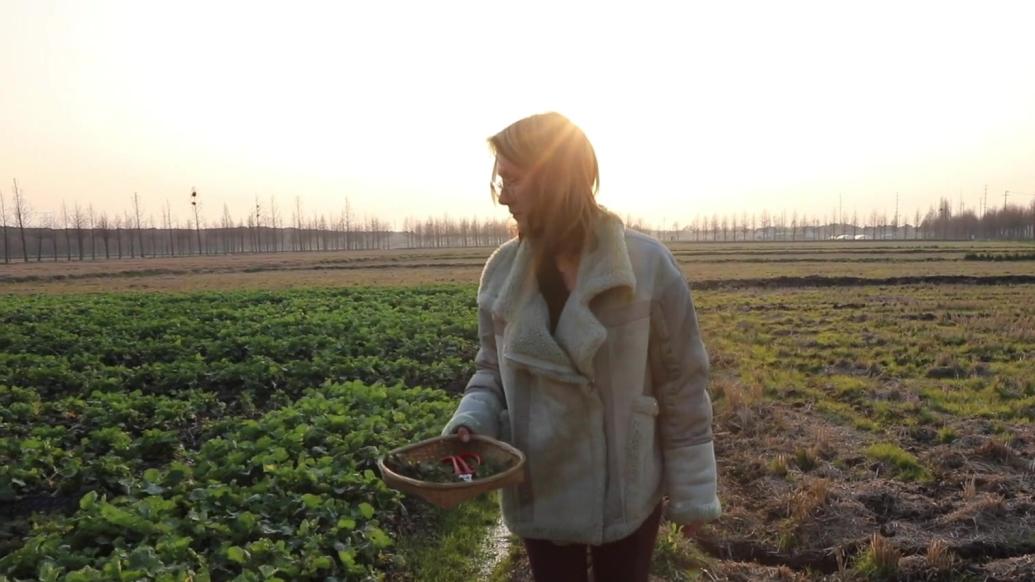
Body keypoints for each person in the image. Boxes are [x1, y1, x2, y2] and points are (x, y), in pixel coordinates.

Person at [441, 112, 720, 582]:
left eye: (511, 180)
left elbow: (682, 382)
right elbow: (490, 370)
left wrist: (692, 491)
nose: (502, 196)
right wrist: (471, 420)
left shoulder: (646, 267)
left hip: (625, 487)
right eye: (498, 182)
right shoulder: (502, 272)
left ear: (553, 180)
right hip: (542, 482)